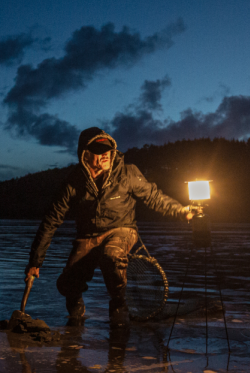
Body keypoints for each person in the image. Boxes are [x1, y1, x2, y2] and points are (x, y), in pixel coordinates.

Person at [25, 127, 197, 326]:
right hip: (87, 236)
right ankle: (75, 321)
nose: (105, 154)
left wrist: (181, 211)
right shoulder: (73, 182)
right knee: (67, 284)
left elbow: (154, 197)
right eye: (99, 151)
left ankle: (119, 307)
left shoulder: (127, 173)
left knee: (111, 256)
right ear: (85, 155)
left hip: (121, 230)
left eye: (107, 149)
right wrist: (35, 262)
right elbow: (51, 220)